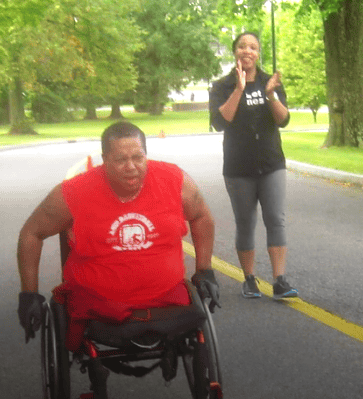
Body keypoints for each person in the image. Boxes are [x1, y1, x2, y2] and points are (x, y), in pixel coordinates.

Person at [17, 121, 220, 350]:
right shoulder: (74, 192)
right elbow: (31, 233)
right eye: (121, 160)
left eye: (138, 157)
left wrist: (204, 269)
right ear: (105, 160)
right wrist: (29, 294)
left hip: (167, 298)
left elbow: (202, 216)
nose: (131, 166)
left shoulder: (174, 180)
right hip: (99, 305)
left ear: (146, 155)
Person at [209, 31, 298, 300]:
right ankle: (249, 279)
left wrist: (271, 95)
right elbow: (220, 122)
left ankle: (279, 280)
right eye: (242, 46)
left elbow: (284, 120)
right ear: (235, 51)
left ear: (258, 54)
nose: (247, 51)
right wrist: (239, 89)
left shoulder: (268, 81)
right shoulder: (222, 86)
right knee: (245, 223)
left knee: (275, 219)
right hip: (238, 168)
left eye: (253, 47)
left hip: (271, 163)